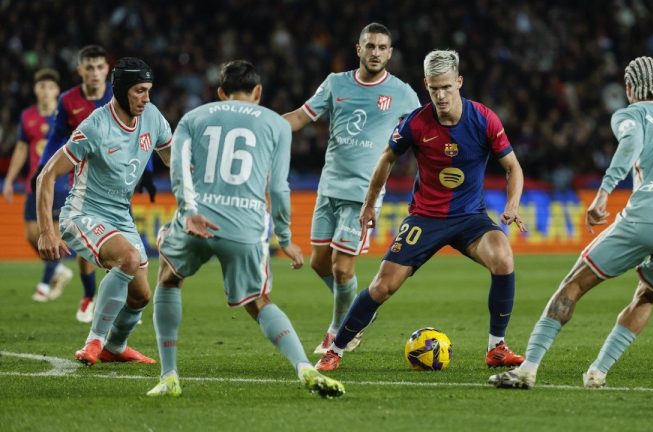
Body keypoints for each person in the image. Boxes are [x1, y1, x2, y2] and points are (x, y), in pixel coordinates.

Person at [488, 56, 653, 390]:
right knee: (647, 297)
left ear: (628, 89)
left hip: (646, 216)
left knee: (573, 285)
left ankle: (528, 369)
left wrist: (603, 193)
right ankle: (598, 372)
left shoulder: (631, 114)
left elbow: (630, 145)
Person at [316, 49, 528, 371]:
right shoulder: (416, 123)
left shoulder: (484, 119)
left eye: (446, 87)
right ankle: (336, 349)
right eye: (433, 89)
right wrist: (369, 204)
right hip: (426, 218)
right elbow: (387, 157)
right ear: (426, 86)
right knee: (382, 286)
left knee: (503, 258)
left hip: (470, 218)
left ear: (459, 81)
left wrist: (512, 205)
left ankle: (496, 347)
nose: (441, 96)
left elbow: (513, 167)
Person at [146, 60, 344, 398]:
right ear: (258, 92)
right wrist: (284, 237)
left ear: (221, 92)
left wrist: (189, 211)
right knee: (259, 300)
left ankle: (169, 376)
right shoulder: (276, 124)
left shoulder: (193, 117)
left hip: (198, 220)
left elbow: (178, 167)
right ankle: (304, 367)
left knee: (168, 277)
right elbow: (280, 188)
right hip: (246, 225)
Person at [282, 23, 420, 354]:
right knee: (319, 263)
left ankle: (338, 330)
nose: (375, 53)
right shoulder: (335, 83)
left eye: (382, 47)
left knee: (343, 268)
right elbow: (301, 117)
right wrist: (265, 124)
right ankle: (360, 312)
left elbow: (425, 132)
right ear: (359, 49)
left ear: (390, 53)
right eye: (369, 46)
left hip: (363, 193)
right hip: (329, 186)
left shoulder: (402, 92)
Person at [37, 57, 172, 367]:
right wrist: (47, 231)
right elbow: (47, 175)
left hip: (120, 216)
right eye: (140, 90)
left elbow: (171, 157)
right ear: (123, 89)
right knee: (127, 258)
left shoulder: (151, 116)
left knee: (141, 296)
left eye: (149, 90)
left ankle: (115, 346)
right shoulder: (95, 126)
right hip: (83, 214)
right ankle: (94, 342)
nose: (146, 98)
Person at [36, 45, 111, 322]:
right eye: (89, 67)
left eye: (99, 67)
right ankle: (90, 295)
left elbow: (139, 130)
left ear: (107, 69)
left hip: (118, 180)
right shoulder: (68, 100)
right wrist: (44, 168)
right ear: (80, 70)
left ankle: (116, 301)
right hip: (80, 181)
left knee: (124, 242)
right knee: (86, 243)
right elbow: (56, 138)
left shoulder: (118, 94)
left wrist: (148, 170)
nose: (94, 72)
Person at [3, 68, 73, 302]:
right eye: (42, 86)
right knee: (31, 234)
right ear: (36, 89)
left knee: (51, 232)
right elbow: (22, 148)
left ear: (57, 91)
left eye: (50, 87)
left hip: (59, 182)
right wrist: (11, 180)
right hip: (35, 183)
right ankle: (59, 268)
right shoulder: (27, 117)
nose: (45, 91)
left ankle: (44, 285)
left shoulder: (64, 115)